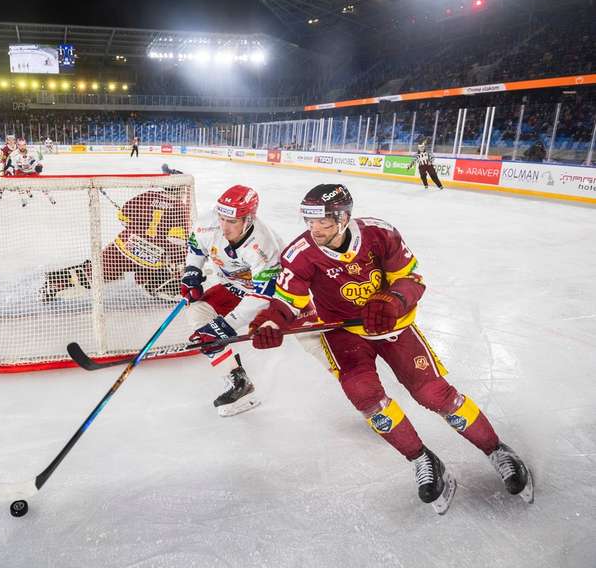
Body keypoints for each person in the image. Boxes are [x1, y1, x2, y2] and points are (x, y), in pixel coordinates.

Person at [249, 183, 533, 514]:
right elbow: (287, 302)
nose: (315, 230)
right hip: (344, 335)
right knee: (367, 399)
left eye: (323, 222)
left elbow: (412, 279)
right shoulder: (301, 253)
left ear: (343, 218)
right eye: (310, 222)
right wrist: (271, 322)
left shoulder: (379, 234)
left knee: (434, 394)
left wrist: (392, 300)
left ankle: (497, 450)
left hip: (392, 326)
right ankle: (423, 459)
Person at [181, 185, 314, 417]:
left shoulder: (264, 245)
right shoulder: (208, 221)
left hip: (278, 296)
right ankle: (238, 382)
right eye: (221, 218)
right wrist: (192, 271)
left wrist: (225, 325)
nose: (224, 227)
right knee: (198, 312)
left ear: (249, 218)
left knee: (312, 338)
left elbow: (263, 295)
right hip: (235, 286)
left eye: (232, 221)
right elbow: (196, 247)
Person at [40, 181, 189, 303]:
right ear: (179, 190)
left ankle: (54, 284)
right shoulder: (180, 208)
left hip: (125, 248)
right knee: (159, 269)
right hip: (151, 259)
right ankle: (153, 286)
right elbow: (177, 241)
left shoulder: (149, 195)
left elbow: (123, 216)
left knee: (95, 272)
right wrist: (179, 263)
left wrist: (136, 224)